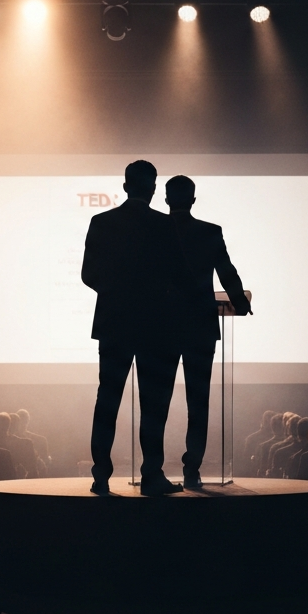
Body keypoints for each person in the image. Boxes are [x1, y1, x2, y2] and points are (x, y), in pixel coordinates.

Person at [81, 160, 189, 495]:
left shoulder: (101, 221)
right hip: (157, 327)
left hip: (113, 323)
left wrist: (117, 294)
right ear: (154, 189)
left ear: (126, 186)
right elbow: (180, 278)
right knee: (153, 403)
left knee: (107, 399)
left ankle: (101, 474)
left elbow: (88, 275)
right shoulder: (166, 226)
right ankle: (151, 475)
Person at [162, 174, 251, 488]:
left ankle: (153, 470)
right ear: (193, 200)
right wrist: (240, 302)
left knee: (156, 400)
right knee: (198, 402)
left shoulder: (155, 230)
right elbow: (226, 271)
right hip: (200, 325)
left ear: (166, 198)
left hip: (162, 326)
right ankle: (191, 470)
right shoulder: (210, 232)